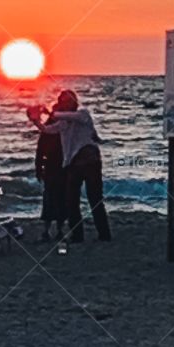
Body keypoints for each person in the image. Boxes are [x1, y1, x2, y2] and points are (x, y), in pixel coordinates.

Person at [32, 90, 111, 243]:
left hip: (90, 162)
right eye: (63, 101)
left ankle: (104, 234)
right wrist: (36, 120)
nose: (65, 104)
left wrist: (49, 112)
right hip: (73, 163)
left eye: (68, 101)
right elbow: (46, 130)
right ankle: (77, 235)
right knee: (71, 201)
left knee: (94, 199)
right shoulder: (63, 122)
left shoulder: (83, 114)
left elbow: (67, 116)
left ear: (74, 102)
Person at [35, 107, 66, 243]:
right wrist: (39, 167)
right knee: (58, 198)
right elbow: (40, 150)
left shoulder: (53, 127)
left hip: (56, 167)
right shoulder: (63, 128)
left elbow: (40, 150)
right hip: (59, 166)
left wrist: (39, 167)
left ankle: (49, 231)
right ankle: (56, 230)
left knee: (51, 198)